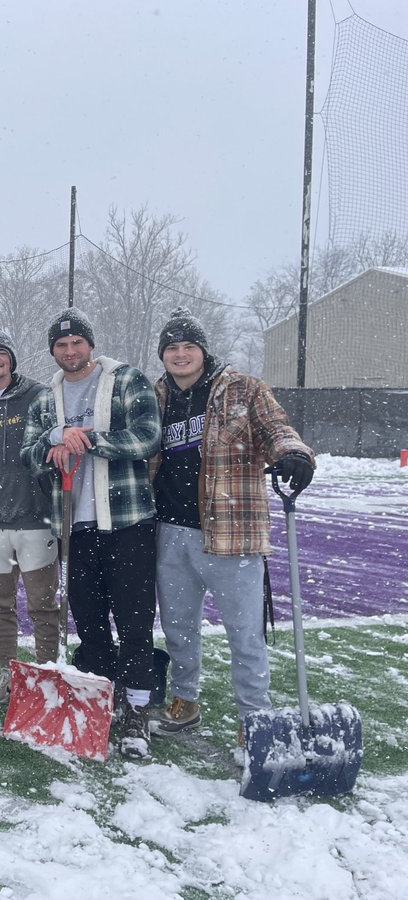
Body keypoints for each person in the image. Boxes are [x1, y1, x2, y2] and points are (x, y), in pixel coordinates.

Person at [148, 307, 315, 740]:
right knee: (178, 628)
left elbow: (278, 428)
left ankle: (253, 718)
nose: (181, 354)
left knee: (245, 634)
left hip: (233, 533)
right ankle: (184, 699)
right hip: (170, 531)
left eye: (189, 346)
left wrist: (293, 453)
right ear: (162, 354)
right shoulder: (155, 396)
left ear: (203, 350)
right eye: (172, 348)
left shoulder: (243, 389)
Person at [21, 308, 161, 759]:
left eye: (77, 342)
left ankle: (137, 710)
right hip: (75, 527)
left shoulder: (125, 380)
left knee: (135, 622)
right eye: (61, 346)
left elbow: (147, 437)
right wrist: (55, 440)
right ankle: (99, 702)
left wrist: (90, 439)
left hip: (128, 522)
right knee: (90, 624)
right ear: (53, 352)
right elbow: (28, 453)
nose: (70, 351)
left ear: (90, 345)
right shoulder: (48, 398)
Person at [0, 330, 60, 704]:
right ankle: (8, 672)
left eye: (0, 354)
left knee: (42, 605)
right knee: (0, 604)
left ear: (11, 360)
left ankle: (45, 674)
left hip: (35, 519)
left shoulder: (38, 396)